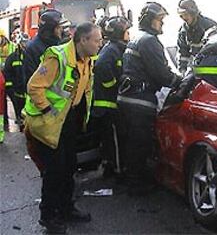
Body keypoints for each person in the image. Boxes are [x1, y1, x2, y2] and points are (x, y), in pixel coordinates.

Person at [24, 22, 102, 234]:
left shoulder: (88, 59)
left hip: (68, 120)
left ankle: (66, 208)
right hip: (48, 122)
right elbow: (34, 86)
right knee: (55, 171)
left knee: (69, 166)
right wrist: (48, 111)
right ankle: (48, 216)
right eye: (96, 40)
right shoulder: (57, 57)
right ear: (83, 40)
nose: (100, 43)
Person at [117, 2, 181, 195]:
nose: (162, 24)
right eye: (159, 20)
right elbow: (161, 74)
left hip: (128, 97)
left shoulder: (138, 39)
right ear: (149, 20)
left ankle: (133, 177)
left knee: (133, 142)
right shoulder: (150, 41)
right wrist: (181, 81)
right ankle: (136, 185)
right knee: (141, 143)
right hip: (140, 100)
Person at [89, 16, 131, 177]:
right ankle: (119, 171)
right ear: (120, 33)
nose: (129, 35)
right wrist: (114, 85)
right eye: (127, 32)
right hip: (107, 106)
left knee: (111, 141)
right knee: (115, 141)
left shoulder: (116, 48)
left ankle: (110, 166)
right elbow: (100, 67)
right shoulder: (111, 49)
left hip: (110, 104)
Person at [23, 9, 70, 87]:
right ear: (49, 30)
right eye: (59, 28)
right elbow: (33, 81)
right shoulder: (33, 49)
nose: (63, 31)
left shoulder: (59, 44)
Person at [177, 0, 217, 75]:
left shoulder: (210, 26)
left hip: (211, 70)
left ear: (193, 13)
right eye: (181, 16)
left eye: (185, 15)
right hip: (194, 71)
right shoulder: (183, 31)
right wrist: (182, 71)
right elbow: (183, 53)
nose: (183, 18)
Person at [3, 33, 28, 131]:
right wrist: (10, 88)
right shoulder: (12, 58)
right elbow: (7, 74)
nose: (25, 45)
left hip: (27, 91)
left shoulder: (29, 56)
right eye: (23, 43)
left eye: (26, 42)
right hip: (16, 92)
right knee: (19, 113)